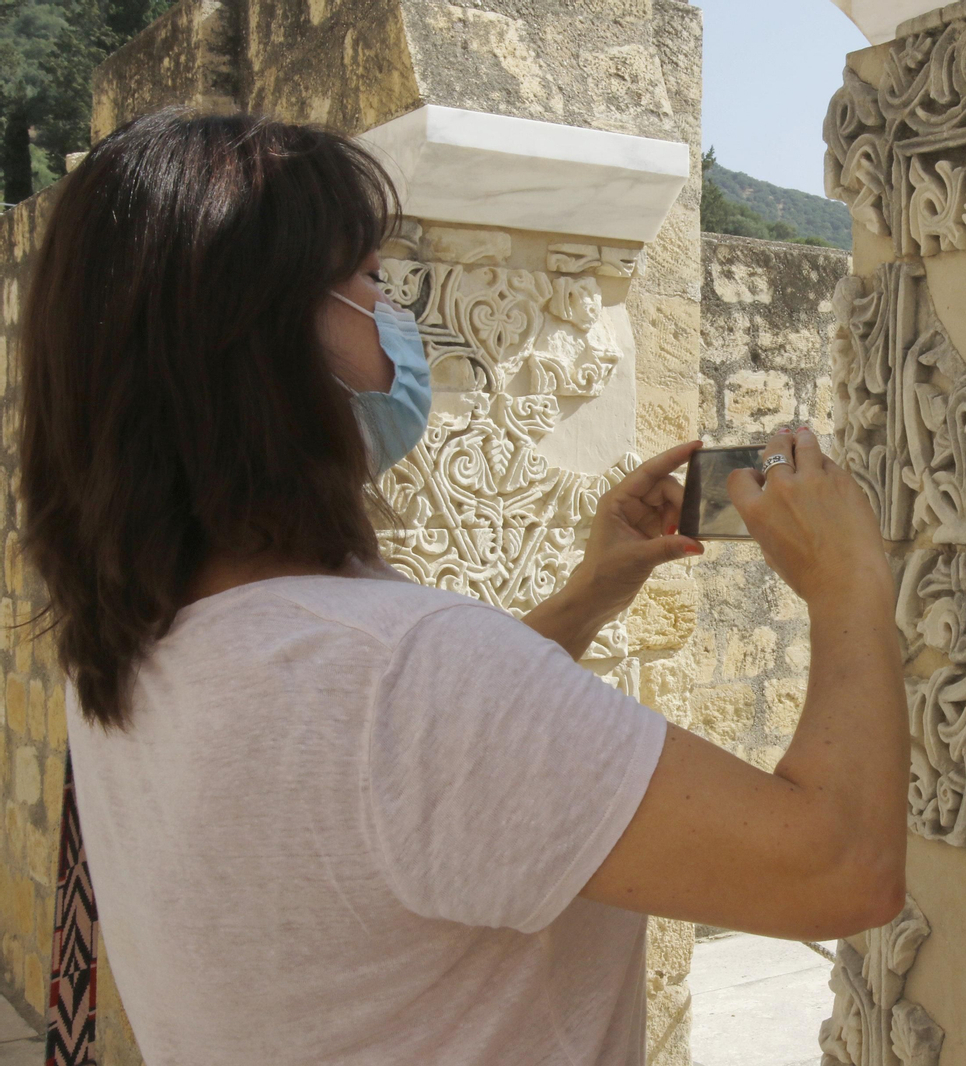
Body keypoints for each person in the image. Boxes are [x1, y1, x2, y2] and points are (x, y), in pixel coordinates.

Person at [18, 108, 906, 1064]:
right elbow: (839, 867)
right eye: (368, 279)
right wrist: (849, 582)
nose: (398, 314)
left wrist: (585, 598)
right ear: (257, 345)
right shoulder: (410, 674)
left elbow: (402, 777)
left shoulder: (135, 635)